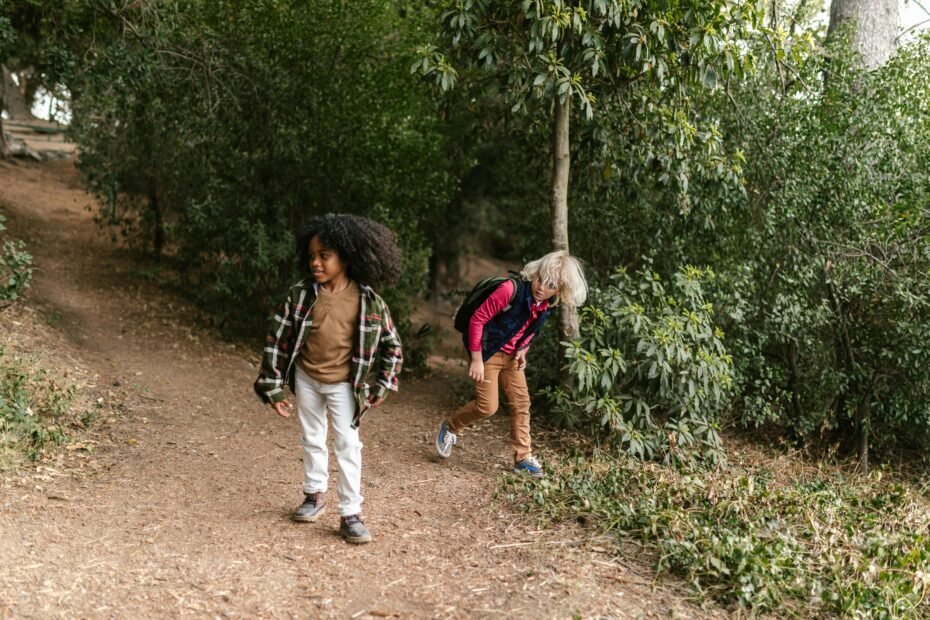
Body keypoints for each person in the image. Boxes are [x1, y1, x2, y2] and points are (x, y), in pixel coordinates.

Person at [255, 213, 403, 544]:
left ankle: (350, 513)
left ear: (346, 258)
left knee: (348, 445)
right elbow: (277, 342)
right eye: (311, 256)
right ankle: (314, 495)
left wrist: (384, 383)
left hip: (344, 386)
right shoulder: (300, 295)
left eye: (324, 256)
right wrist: (274, 387)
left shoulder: (369, 302)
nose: (316, 263)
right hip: (307, 378)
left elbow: (393, 346)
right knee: (312, 437)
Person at [435, 250, 587, 477]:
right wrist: (476, 359)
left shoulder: (545, 306)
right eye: (540, 279)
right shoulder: (510, 290)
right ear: (535, 272)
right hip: (489, 353)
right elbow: (478, 319)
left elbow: (530, 331)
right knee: (487, 407)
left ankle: (522, 458)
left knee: (521, 403)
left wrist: (523, 349)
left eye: (551, 285)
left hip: (512, 357)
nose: (542, 287)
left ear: (559, 290)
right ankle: (451, 426)